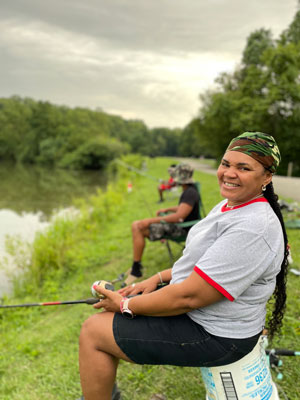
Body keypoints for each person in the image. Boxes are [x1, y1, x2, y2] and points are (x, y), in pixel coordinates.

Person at [78, 132, 289, 400]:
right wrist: (155, 278)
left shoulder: (253, 226)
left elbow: (189, 296)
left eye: (243, 167)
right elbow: (201, 264)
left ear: (267, 177)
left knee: (93, 332)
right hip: (206, 318)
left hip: (217, 335)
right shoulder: (229, 204)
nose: (229, 173)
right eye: (226, 164)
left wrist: (123, 305)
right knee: (104, 325)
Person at [125, 163, 200, 285]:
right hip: (181, 226)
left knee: (138, 226)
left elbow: (179, 217)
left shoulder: (190, 193)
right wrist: (167, 209)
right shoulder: (189, 190)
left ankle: (136, 269)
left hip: (183, 229)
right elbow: (183, 208)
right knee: (137, 225)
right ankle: (136, 267)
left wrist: (150, 220)